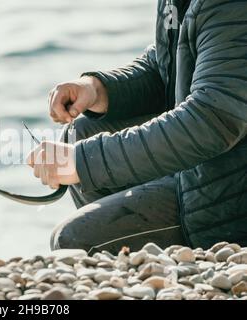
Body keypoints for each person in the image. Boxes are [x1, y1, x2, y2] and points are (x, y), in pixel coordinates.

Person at [27, 0, 247, 254]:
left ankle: (175, 267)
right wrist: (97, 89)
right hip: (214, 166)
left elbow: (212, 122)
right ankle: (149, 264)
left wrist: (84, 162)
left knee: (72, 238)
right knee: (83, 133)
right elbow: (169, 65)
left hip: (233, 194)